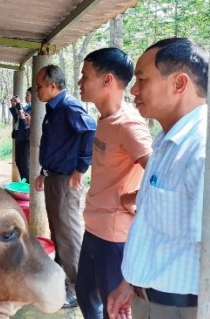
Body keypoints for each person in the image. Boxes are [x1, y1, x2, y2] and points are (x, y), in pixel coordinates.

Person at [107, 38, 208, 319]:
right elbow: (154, 230)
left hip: (183, 309)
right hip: (151, 300)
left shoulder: (201, 150)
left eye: (141, 79)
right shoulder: (167, 141)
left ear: (179, 84)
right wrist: (130, 284)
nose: (134, 90)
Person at [75, 48, 153, 319]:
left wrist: (135, 199)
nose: (80, 82)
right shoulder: (105, 118)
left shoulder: (129, 125)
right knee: (85, 295)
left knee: (113, 308)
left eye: (85, 76)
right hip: (94, 226)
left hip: (114, 235)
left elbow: (157, 172)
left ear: (107, 81)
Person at [34, 65, 96, 308]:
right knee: (58, 231)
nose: (37, 90)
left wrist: (81, 168)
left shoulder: (69, 107)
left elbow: (90, 130)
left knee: (68, 235)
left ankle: (79, 290)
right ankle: (64, 282)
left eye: (39, 86)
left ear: (52, 85)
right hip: (53, 176)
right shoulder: (54, 108)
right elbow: (55, 145)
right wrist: (42, 172)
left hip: (65, 181)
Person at [9, 88, 32, 182]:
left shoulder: (34, 109)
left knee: (25, 164)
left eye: (28, 94)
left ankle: (28, 185)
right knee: (19, 162)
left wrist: (18, 105)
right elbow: (17, 118)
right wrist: (14, 106)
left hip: (26, 138)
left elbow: (24, 120)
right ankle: (24, 182)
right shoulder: (27, 107)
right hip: (19, 136)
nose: (26, 96)